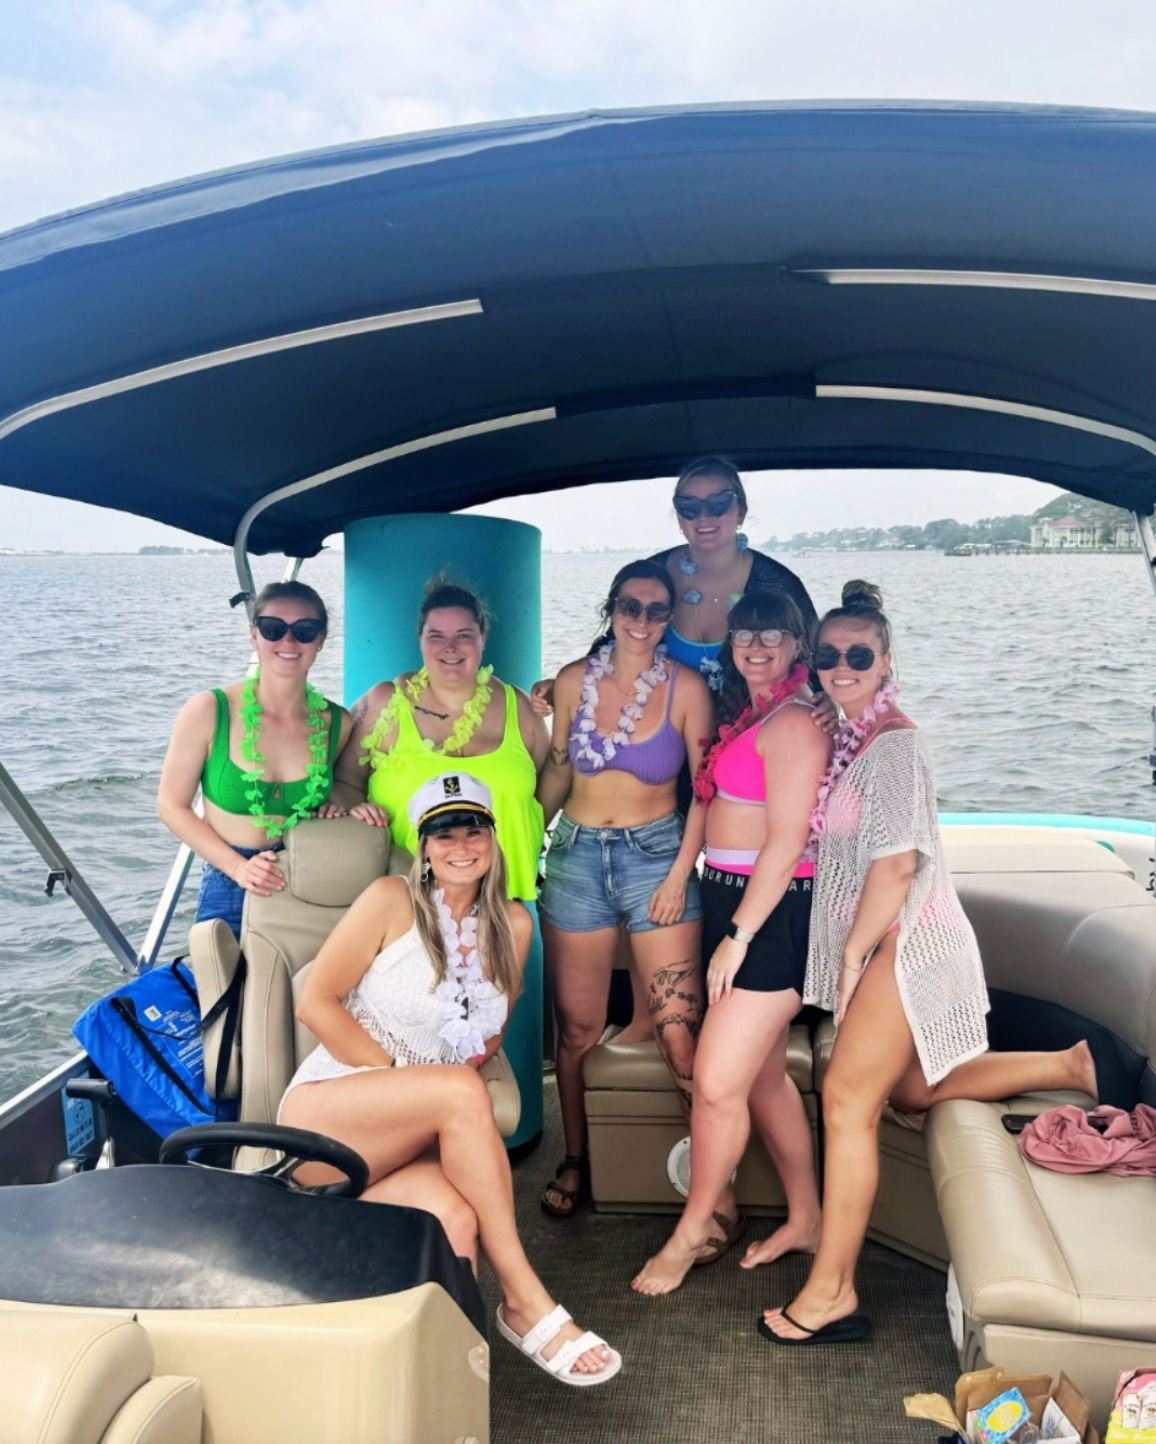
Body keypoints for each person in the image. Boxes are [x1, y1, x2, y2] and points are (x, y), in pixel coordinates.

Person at [760, 582, 1102, 1345]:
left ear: (887, 661)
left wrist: (850, 961)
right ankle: (1069, 1064)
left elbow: (894, 865)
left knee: (848, 1101)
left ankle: (832, 1293)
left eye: (858, 655)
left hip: (903, 942)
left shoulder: (896, 745)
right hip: (895, 938)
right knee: (909, 1089)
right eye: (827, 655)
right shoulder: (851, 732)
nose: (840, 666)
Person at [279, 773, 622, 1387]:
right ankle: (526, 1300)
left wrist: (435, 1093)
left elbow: (484, 1042)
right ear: (424, 847)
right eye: (443, 834)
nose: (459, 845)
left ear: (493, 839)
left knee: (458, 1224)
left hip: (420, 1129)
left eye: (472, 830)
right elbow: (317, 1004)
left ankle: (447, 1387)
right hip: (330, 1114)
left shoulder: (515, 926)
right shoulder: (390, 898)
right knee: (460, 1093)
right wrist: (406, 1082)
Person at [631, 588, 830, 1294]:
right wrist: (692, 881)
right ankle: (806, 1216)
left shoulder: (799, 723)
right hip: (726, 897)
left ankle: (693, 1231)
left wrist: (739, 936)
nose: (757, 646)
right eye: (746, 633)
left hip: (771, 914)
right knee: (767, 1079)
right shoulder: (752, 712)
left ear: (797, 645)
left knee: (717, 1085)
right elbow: (712, 803)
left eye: (773, 635)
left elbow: (786, 842)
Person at [535, 559, 716, 1221]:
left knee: (678, 1036)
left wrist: (677, 877)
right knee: (578, 1030)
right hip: (577, 858)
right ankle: (577, 1158)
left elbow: (706, 793)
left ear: (670, 619)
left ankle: (711, 1185)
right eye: (631, 607)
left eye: (657, 610)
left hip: (656, 858)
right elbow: (557, 771)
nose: (643, 621)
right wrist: (520, 838)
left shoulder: (688, 688)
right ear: (611, 609)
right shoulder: (573, 682)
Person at [331, 579, 548, 905]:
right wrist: (355, 807)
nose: (451, 647)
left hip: (505, 902)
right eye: (437, 636)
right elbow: (342, 779)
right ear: (420, 640)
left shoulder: (519, 706)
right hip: (405, 900)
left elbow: (549, 786)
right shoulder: (384, 704)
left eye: (464, 636)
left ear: (483, 637)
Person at [158, 580, 352, 938]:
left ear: (321, 640)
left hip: (306, 878)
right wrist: (237, 867)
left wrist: (338, 804)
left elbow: (341, 788)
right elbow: (172, 806)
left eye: (305, 631)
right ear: (254, 635)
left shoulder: (337, 723)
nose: (288, 642)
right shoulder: (208, 711)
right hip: (230, 880)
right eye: (273, 629)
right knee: (224, 990)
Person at [649, 456, 817, 693]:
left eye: (719, 503)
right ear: (679, 515)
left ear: (741, 511)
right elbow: (610, 650)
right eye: (689, 507)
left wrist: (826, 705)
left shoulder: (777, 583)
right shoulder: (652, 575)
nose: (704, 515)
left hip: (753, 728)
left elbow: (818, 663)